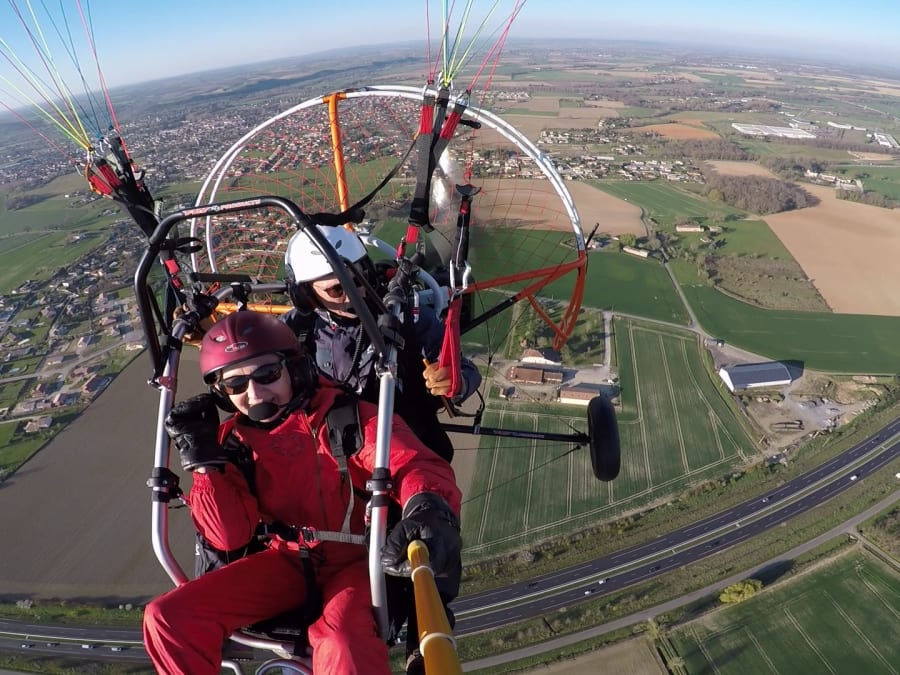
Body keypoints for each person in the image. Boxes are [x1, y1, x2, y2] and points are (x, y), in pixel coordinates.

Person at [142, 310, 462, 675]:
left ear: (295, 369)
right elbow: (229, 535)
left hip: (356, 559)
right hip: (286, 561)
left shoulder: (347, 419)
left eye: (266, 374)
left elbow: (415, 465)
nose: (254, 393)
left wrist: (427, 504)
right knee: (168, 618)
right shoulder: (232, 443)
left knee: (340, 640)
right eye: (235, 385)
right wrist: (204, 464)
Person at [283, 225, 481, 463]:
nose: (353, 294)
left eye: (358, 279)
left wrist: (454, 381)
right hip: (331, 461)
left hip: (404, 455)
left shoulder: (405, 315)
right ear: (307, 295)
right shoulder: (296, 329)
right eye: (336, 289)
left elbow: (468, 371)